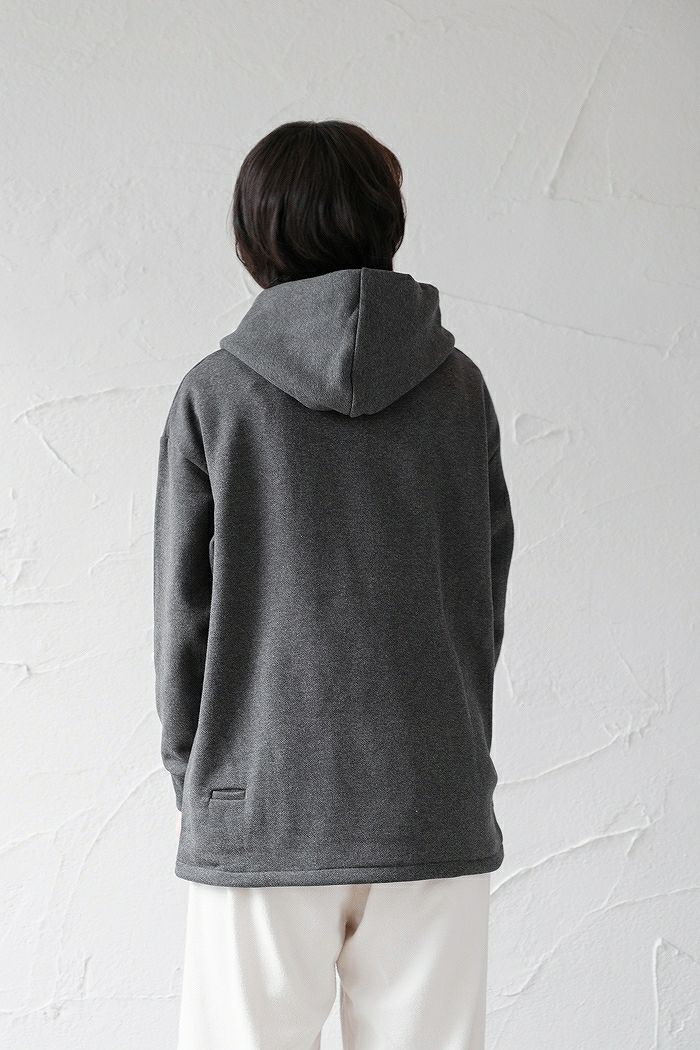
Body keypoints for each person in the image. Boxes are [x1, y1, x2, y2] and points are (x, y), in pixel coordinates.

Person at [153, 119, 515, 1050]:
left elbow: (182, 618)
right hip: (430, 798)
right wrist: (452, 757)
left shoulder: (217, 395)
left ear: (257, 233)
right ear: (387, 221)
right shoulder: (460, 391)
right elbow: (483, 598)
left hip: (259, 801)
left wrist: (201, 781)